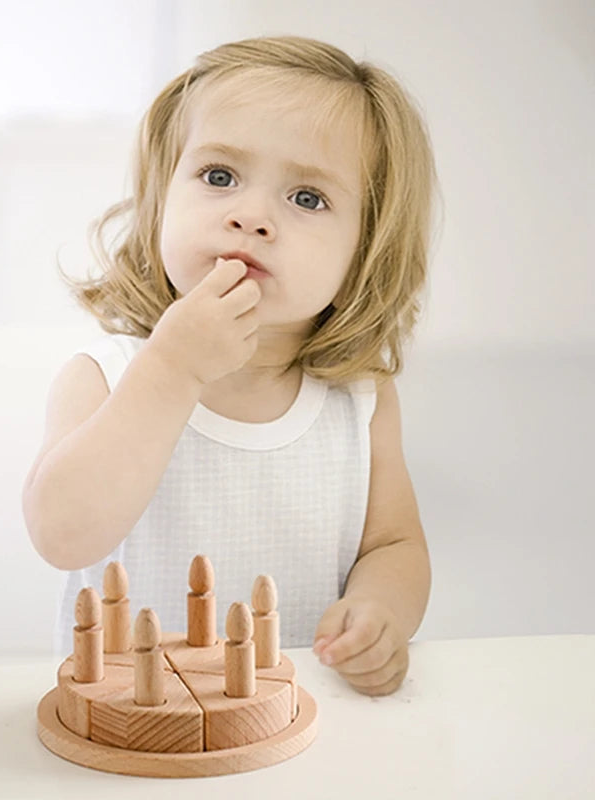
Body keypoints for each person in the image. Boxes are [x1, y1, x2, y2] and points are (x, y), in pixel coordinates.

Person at [22, 35, 438, 696]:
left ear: (366, 248)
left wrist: (382, 611)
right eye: (219, 177)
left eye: (307, 198)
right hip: (132, 726)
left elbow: (392, 547)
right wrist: (172, 370)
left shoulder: (358, 403)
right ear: (162, 201)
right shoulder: (104, 375)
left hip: (294, 726)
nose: (251, 217)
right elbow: (62, 536)